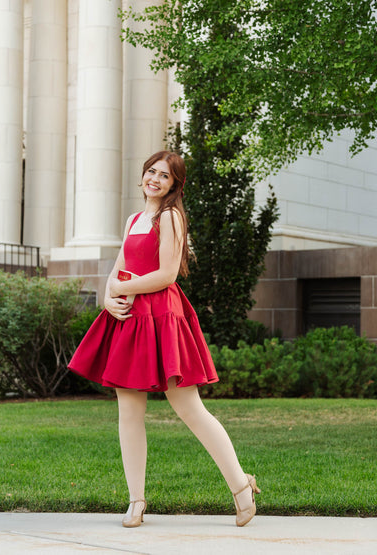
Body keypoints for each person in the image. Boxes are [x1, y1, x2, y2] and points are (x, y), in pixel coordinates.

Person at [68, 151, 260, 528]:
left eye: (165, 176)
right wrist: (109, 296)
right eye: (151, 172)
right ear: (143, 176)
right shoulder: (133, 220)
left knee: (189, 407)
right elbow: (119, 267)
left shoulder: (170, 217)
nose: (155, 179)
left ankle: (241, 485)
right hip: (129, 318)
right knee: (129, 411)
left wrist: (125, 288)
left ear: (175, 185)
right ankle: (136, 501)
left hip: (162, 317)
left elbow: (168, 274)